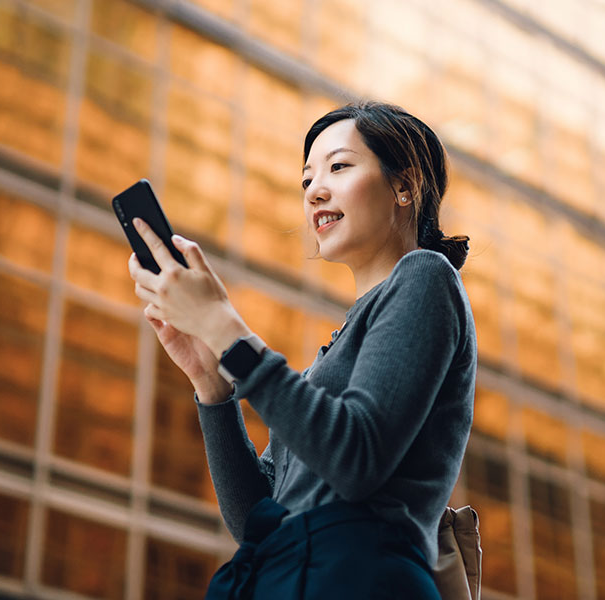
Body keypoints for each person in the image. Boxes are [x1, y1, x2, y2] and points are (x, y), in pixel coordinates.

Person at [127, 101, 476, 599]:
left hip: (359, 580)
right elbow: (258, 520)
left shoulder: (424, 276)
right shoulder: (328, 358)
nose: (314, 190)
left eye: (338, 166)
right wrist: (213, 385)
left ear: (405, 186)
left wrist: (228, 331)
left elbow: (356, 460)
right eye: (306, 179)